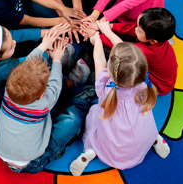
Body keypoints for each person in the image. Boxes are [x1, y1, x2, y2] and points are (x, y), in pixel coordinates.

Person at [0, 32, 97, 173]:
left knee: (52, 98)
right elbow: (54, 84)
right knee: (71, 121)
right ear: (42, 95)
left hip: (6, 154)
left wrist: (44, 45)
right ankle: (77, 94)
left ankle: (65, 76)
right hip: (33, 162)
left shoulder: (9, 90)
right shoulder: (42, 105)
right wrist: (56, 59)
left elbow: (25, 65)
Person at [70, 35, 170, 176]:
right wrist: (106, 31)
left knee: (94, 112)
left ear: (111, 70)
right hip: (139, 141)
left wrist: (96, 40)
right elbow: (131, 57)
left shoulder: (105, 88)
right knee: (145, 117)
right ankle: (153, 137)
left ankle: (90, 149)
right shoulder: (141, 81)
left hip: (113, 147)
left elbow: (99, 60)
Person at [0, 22, 69, 121]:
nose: (14, 42)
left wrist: (46, 33)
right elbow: (28, 64)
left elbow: (15, 35)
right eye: (10, 47)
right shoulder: (0, 70)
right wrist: (51, 52)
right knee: (32, 82)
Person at [91, 8, 178, 95]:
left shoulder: (148, 51)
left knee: (124, 73)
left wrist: (98, 35)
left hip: (157, 85)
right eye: (137, 25)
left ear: (153, 40)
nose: (136, 29)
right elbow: (130, 29)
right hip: (159, 72)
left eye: (139, 30)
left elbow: (123, 48)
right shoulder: (156, 37)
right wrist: (108, 26)